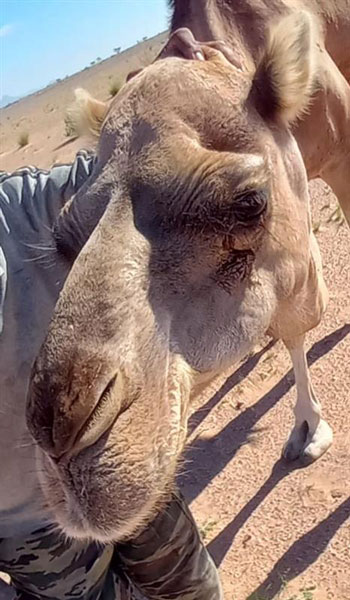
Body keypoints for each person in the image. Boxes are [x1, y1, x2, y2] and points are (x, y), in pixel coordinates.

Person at [0, 150, 222, 600]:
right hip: (33, 538)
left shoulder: (19, 209)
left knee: (194, 589)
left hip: (124, 449)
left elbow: (127, 170)